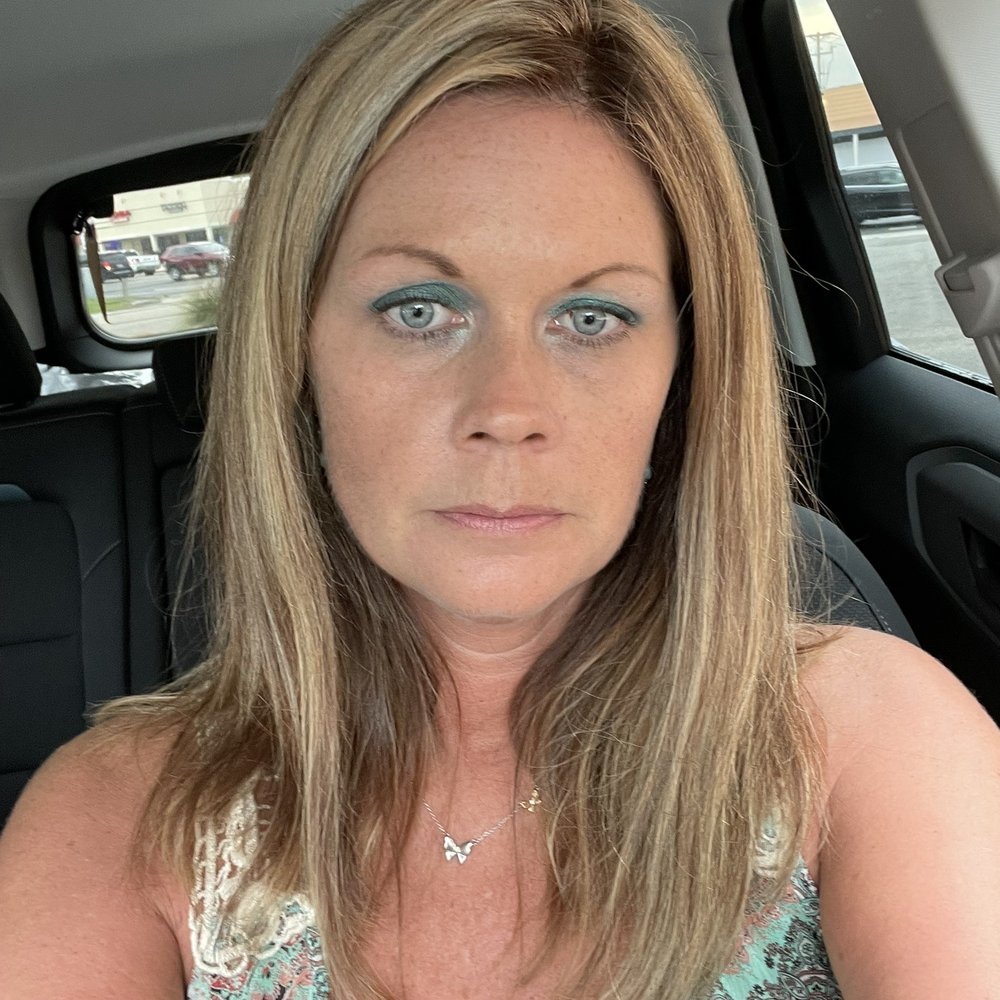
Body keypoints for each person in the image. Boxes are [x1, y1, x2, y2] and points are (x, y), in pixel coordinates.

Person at [1, 0, 998, 997]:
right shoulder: (117, 816)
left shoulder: (870, 735)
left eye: (592, 316)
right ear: (296, 352)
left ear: (681, 373)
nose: (508, 411)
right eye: (418, 310)